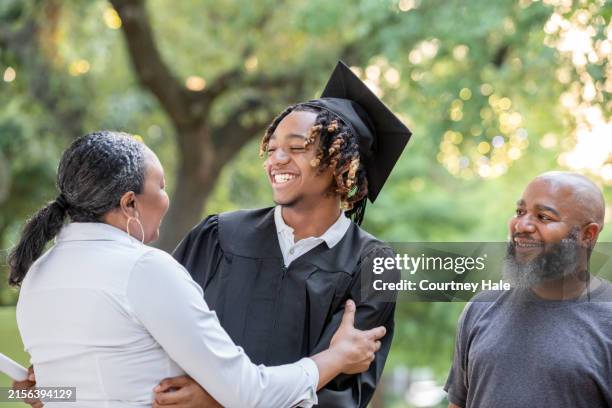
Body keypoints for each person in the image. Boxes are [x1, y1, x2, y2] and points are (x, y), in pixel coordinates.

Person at [9, 131, 387, 408]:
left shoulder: (38, 275)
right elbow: (247, 393)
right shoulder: (158, 263)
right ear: (129, 203)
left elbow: (64, 392)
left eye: (298, 147)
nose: (277, 159)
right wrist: (336, 358)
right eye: (161, 185)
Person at [162, 61, 412, 407]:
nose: (276, 159)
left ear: (342, 165)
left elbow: (338, 394)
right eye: (272, 147)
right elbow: (163, 331)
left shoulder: (372, 265)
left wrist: (215, 401)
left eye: (296, 148)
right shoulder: (219, 235)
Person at [445, 172, 612, 408]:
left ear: (588, 235)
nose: (521, 225)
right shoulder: (481, 307)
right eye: (520, 212)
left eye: (544, 217)